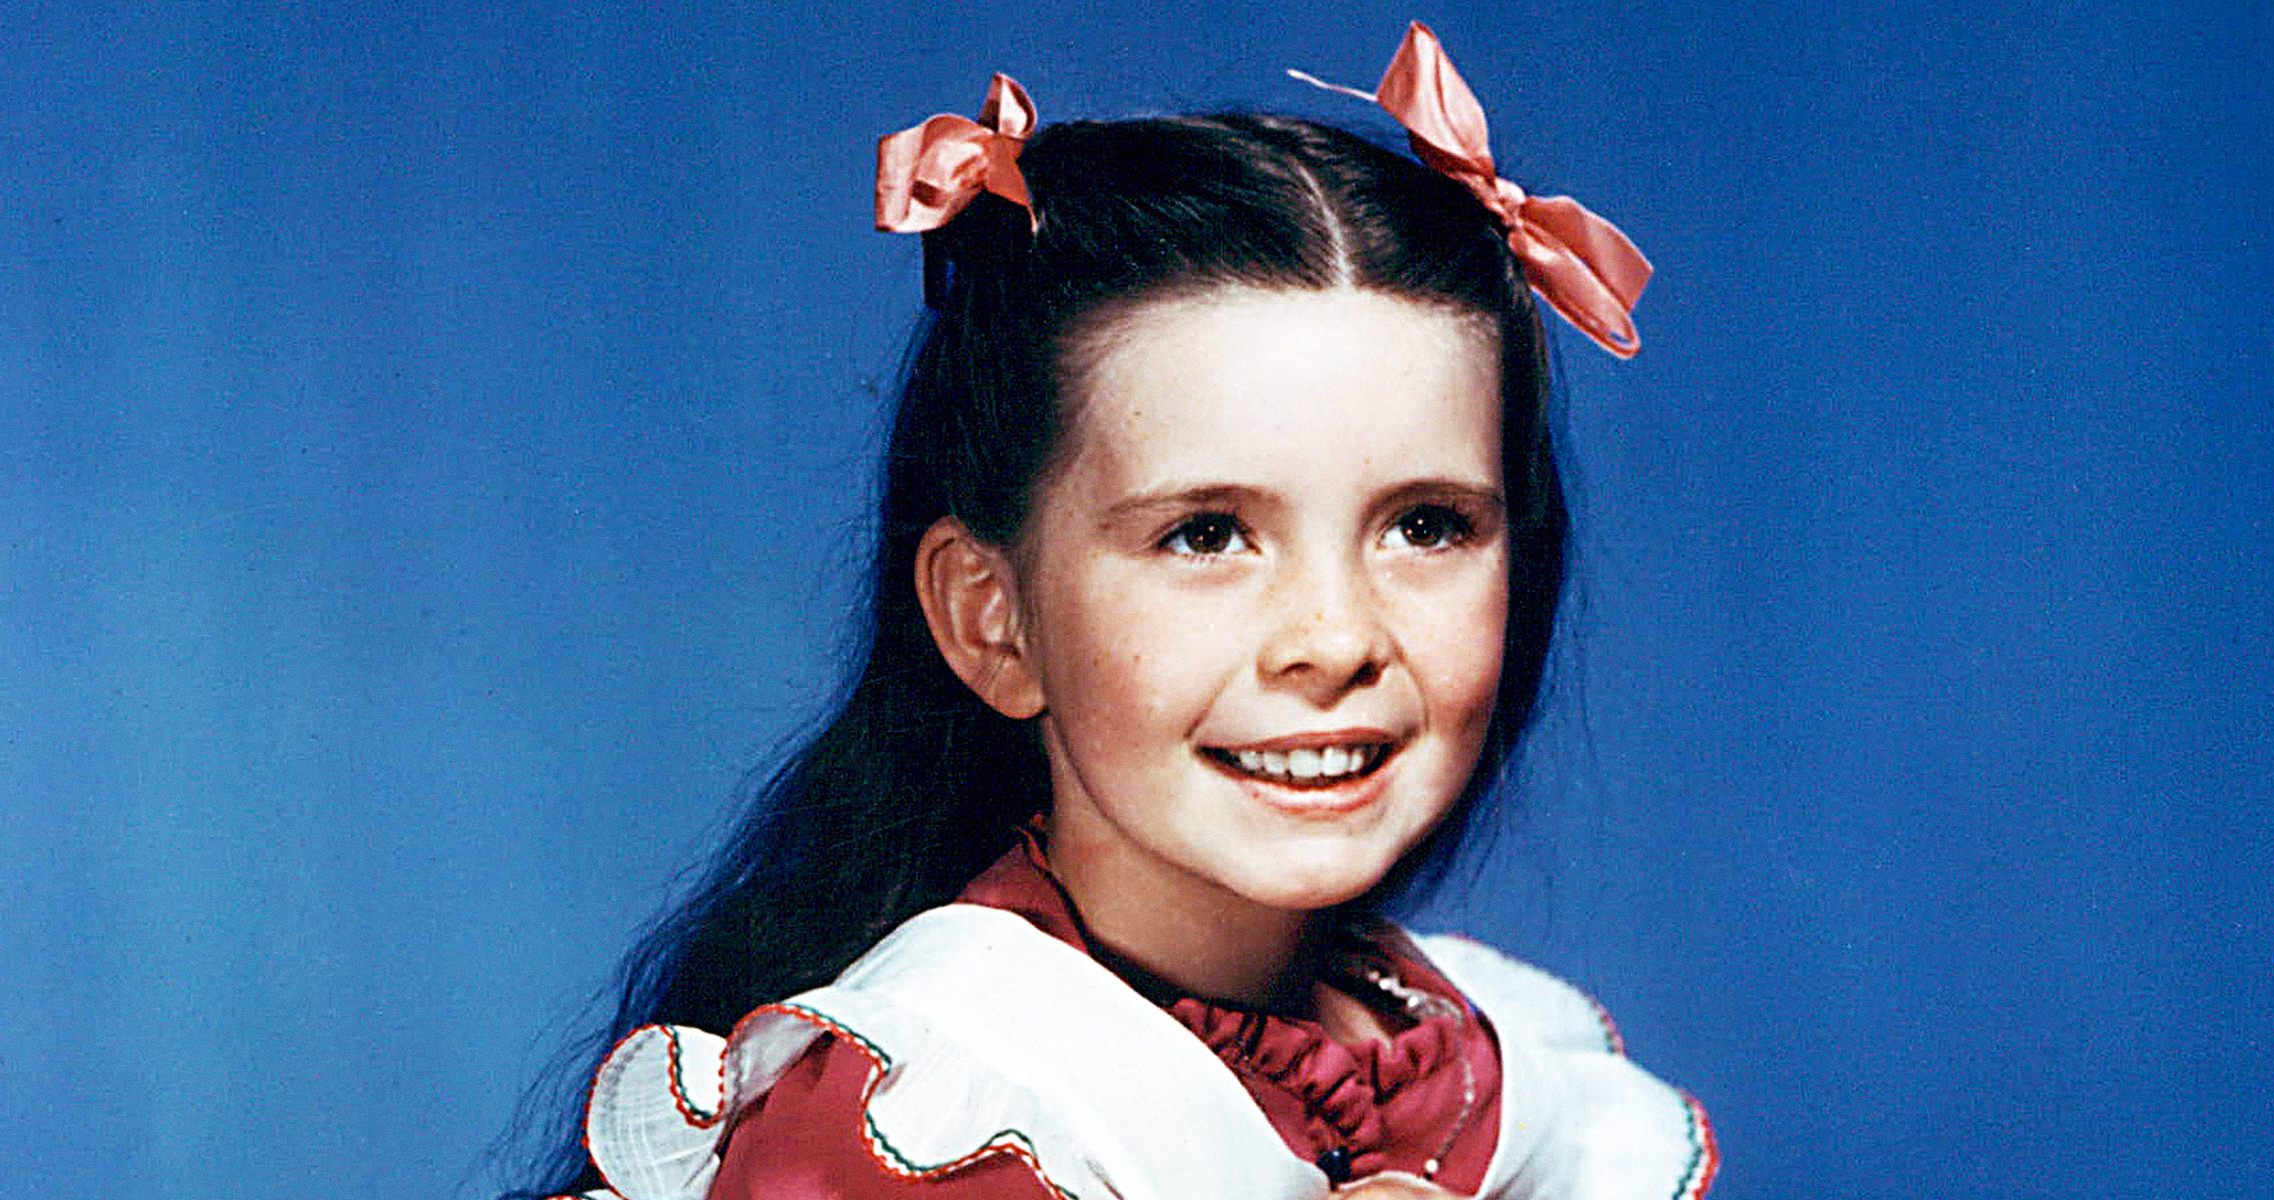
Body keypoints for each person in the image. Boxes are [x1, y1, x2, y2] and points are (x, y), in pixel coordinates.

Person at [509, 23, 1715, 1200]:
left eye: (1427, 526)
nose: (1338, 640)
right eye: (1205, 535)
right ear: (994, 621)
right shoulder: (954, 1098)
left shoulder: (1477, 1057)